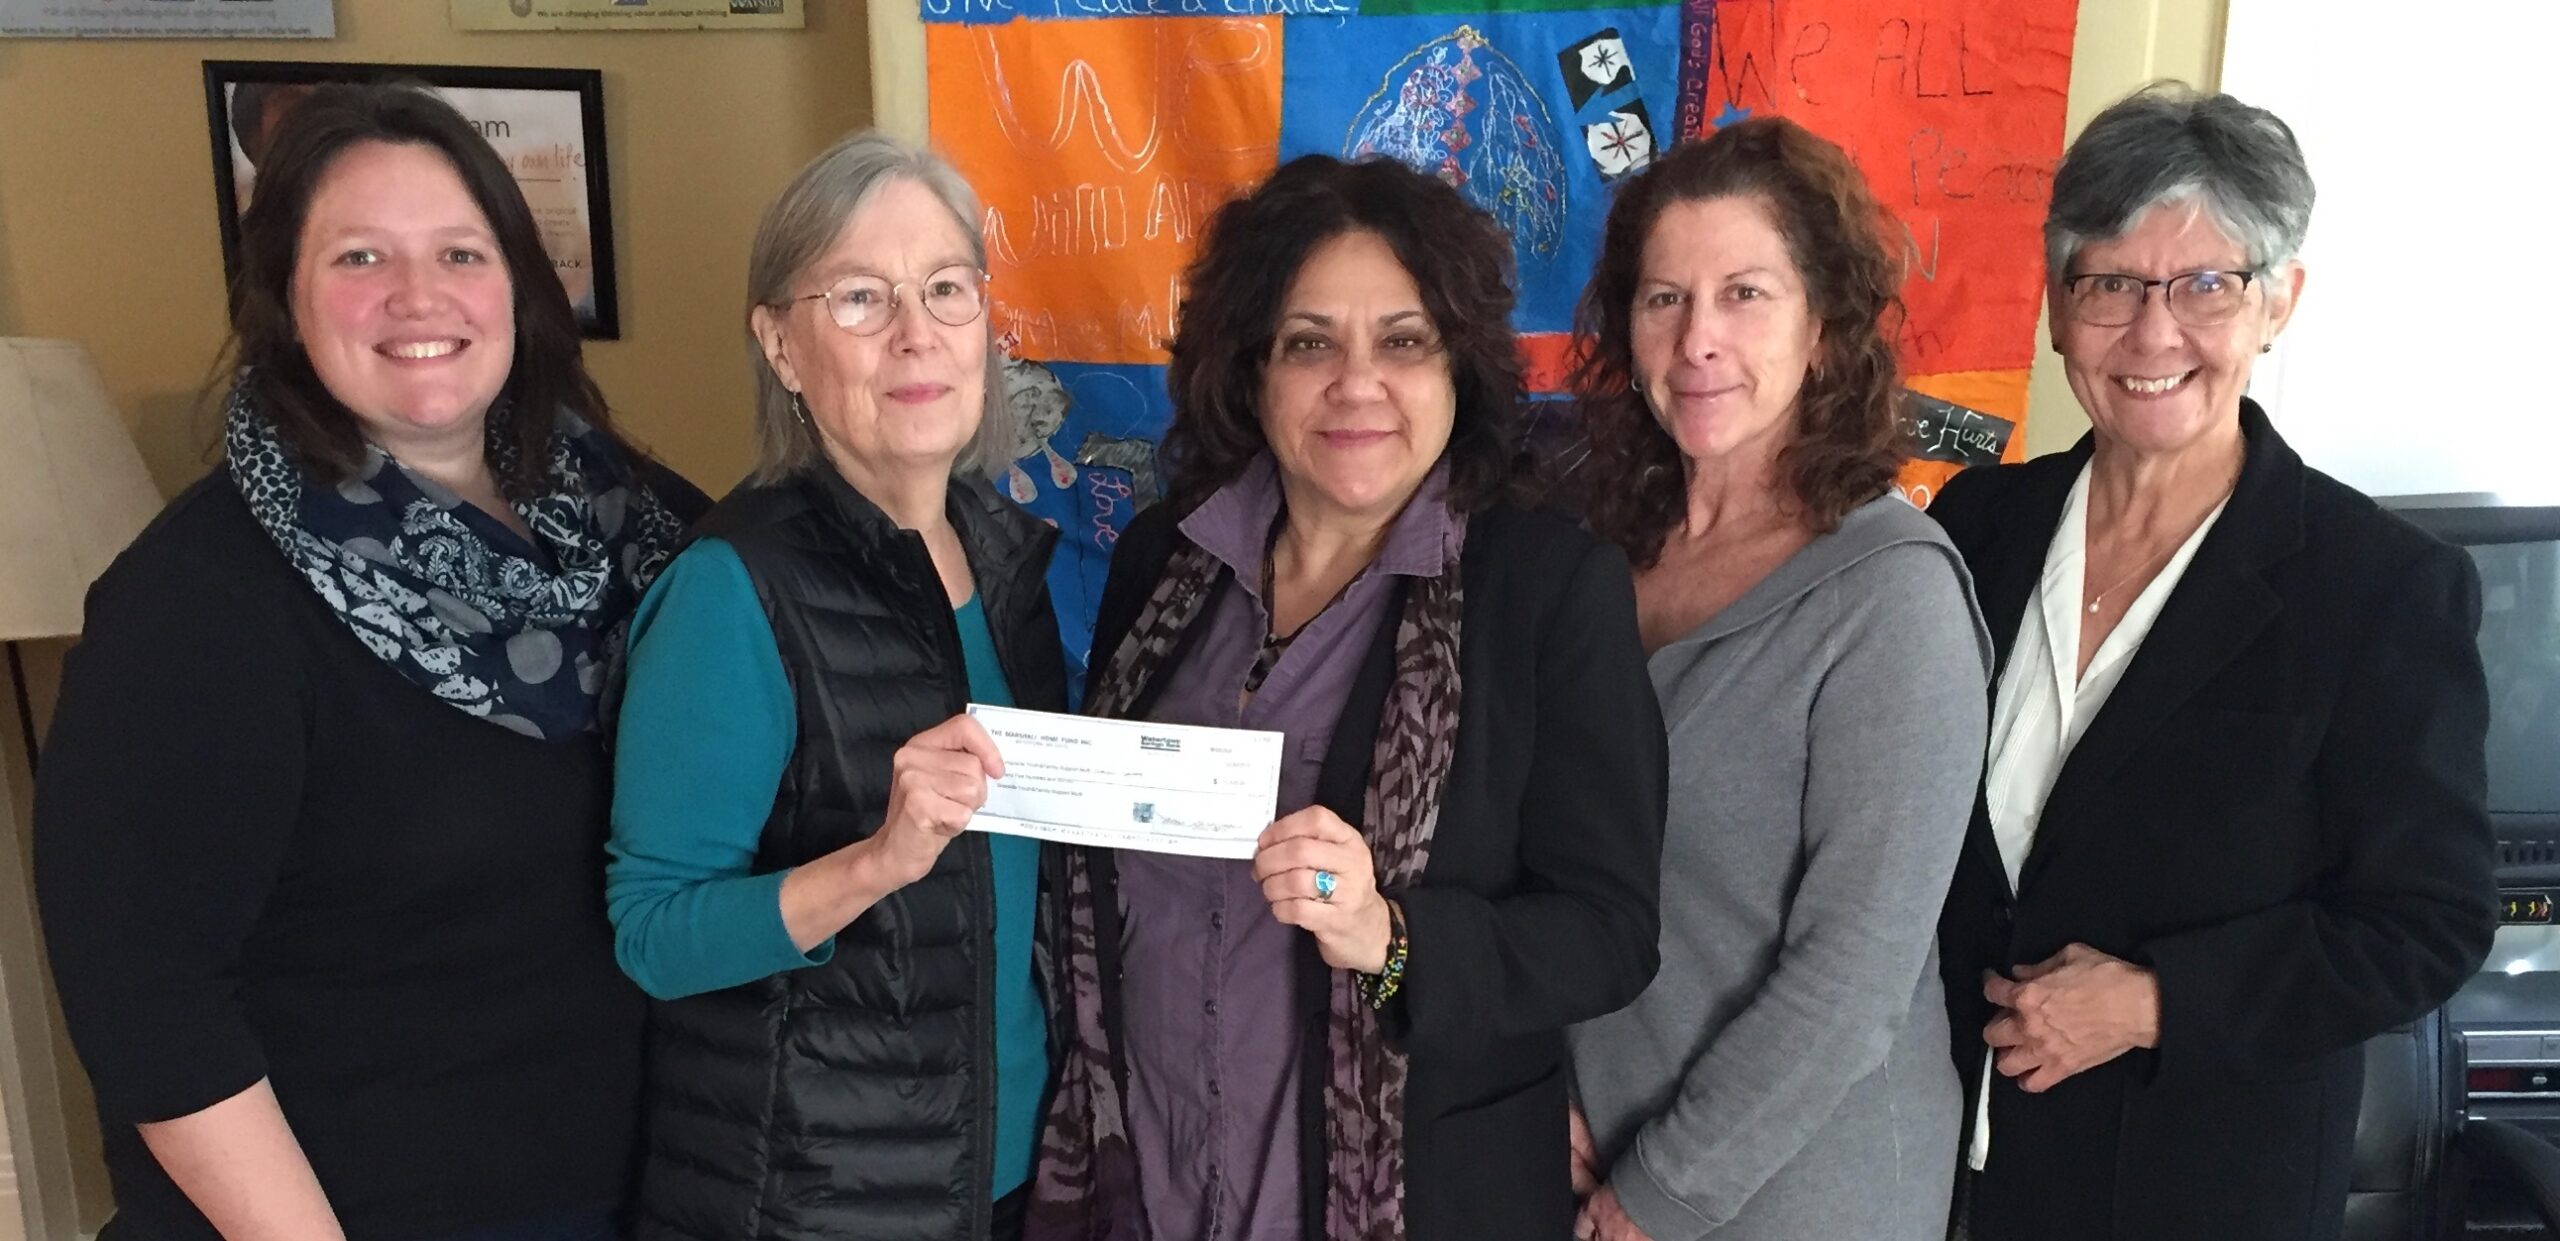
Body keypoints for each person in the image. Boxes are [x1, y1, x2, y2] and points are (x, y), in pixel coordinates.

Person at [34, 83, 699, 1240]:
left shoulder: (638, 523)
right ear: (284, 298)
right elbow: (150, 1003)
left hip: (650, 1184)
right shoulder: (198, 604)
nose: (418, 295)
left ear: (518, 286)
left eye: (459, 250)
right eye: (358, 256)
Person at [1026, 153, 1668, 1241]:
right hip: (1144, 1183)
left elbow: (1608, 931)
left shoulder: (1542, 587)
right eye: (1310, 342)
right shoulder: (1157, 564)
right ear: (1253, 369)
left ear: (1457, 367)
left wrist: (1394, 932)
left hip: (1417, 1200)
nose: (1356, 383)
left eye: (1403, 341)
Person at [1929, 84, 2495, 1240]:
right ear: (2053, 306)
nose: (2152, 334)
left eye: (2205, 284)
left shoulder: (2378, 586)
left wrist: (2154, 1001)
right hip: (1942, 1169)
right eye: (2108, 284)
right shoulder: (1975, 525)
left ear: (2278, 300)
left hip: (2192, 1184)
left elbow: (2426, 919)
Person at [603, 132, 1065, 1241]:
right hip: (808, 1200)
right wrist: (877, 860)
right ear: (781, 343)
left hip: (1000, 1174)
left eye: (946, 288)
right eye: (860, 296)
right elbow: (654, 932)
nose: (918, 333)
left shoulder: (1005, 556)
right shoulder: (731, 590)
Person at [1559, 118, 1990, 1241]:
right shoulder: (1598, 555)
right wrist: (1543, 1077)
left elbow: (1851, 979)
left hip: (1794, 1190)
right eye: (1663, 298)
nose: (1699, 338)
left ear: (1824, 330)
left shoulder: (1892, 596)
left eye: (1744, 293)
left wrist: (1658, 1191)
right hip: (1582, 1146)